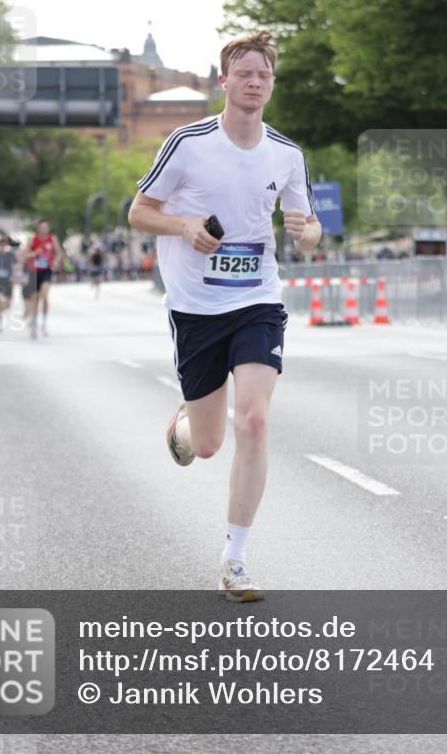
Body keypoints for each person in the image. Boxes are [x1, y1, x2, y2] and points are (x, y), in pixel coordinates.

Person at [129, 30, 321, 601]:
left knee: (255, 421)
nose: (254, 82)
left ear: (272, 84)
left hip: (257, 300)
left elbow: (308, 229)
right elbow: (140, 211)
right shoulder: (188, 143)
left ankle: (234, 560)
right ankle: (185, 425)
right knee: (210, 445)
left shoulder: (286, 154)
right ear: (224, 81)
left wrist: (304, 232)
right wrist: (184, 227)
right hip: (195, 307)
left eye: (263, 74)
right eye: (244, 73)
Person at [22, 218, 62, 338]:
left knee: (44, 295)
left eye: (46, 227)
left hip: (46, 271)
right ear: (38, 229)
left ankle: (44, 323)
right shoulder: (32, 239)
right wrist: (34, 253)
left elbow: (59, 253)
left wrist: (55, 261)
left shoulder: (52, 239)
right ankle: (34, 322)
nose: (44, 230)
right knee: (35, 299)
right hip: (34, 272)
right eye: (42, 227)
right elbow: (24, 254)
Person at [0, 235, 17, 331]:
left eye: (4, 244)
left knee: (8, 305)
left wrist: (13, 276)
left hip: (8, 281)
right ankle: (0, 324)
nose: (2, 246)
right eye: (1, 244)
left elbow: (14, 267)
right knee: (1, 300)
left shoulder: (11, 255)